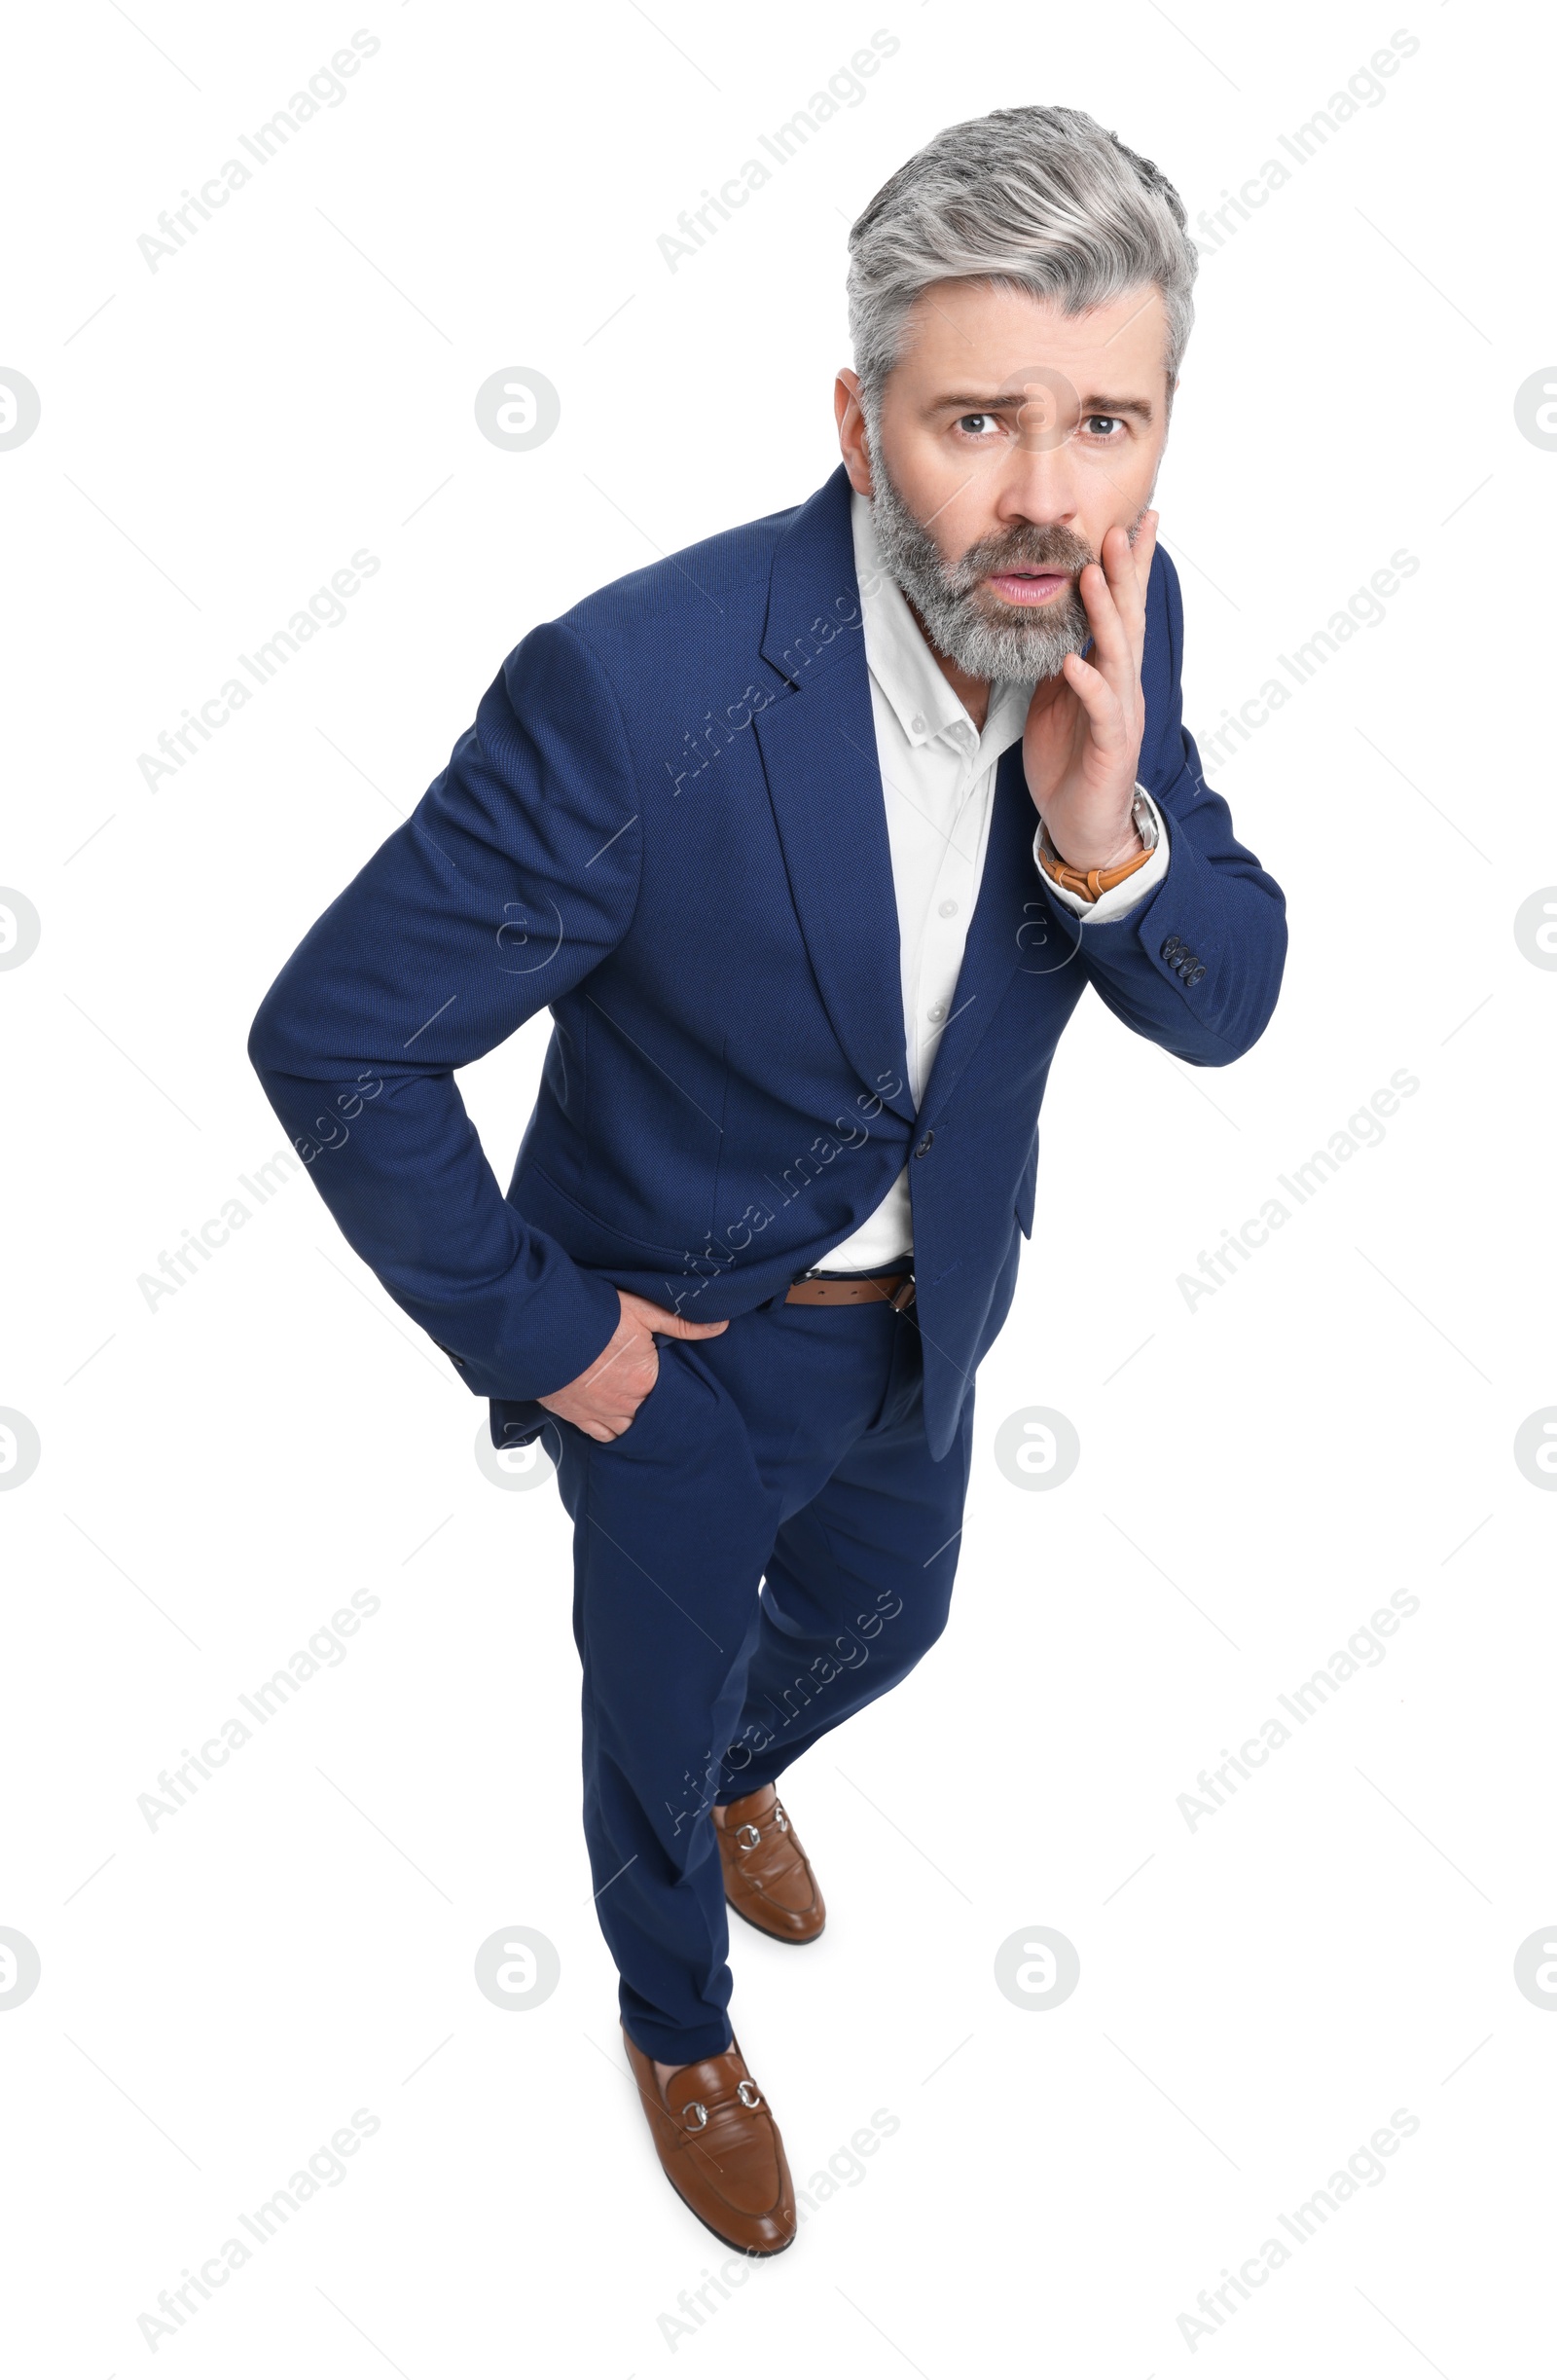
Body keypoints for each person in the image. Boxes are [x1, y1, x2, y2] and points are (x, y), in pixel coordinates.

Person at [249, 103, 1285, 2255]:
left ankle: (740, 1767)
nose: (1042, 493)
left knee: (891, 1616)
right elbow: (336, 1034)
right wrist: (557, 1344)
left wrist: (1108, 842)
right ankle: (673, 2008)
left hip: (925, 1319)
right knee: (645, 1722)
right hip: (680, 1358)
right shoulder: (633, 694)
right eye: (975, 417)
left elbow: (1220, 996)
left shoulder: (1116, 607)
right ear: (854, 417)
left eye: (1104, 420)